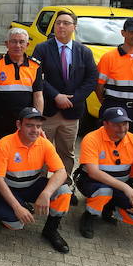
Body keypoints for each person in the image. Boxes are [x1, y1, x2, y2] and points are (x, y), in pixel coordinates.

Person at [0, 107, 71, 253]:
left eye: (38, 126)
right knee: (14, 222)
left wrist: (46, 194)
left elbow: (61, 172)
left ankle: (50, 231)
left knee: (64, 192)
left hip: (31, 186)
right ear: (19, 125)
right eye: (29, 125)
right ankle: (2, 204)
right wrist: (17, 207)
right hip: (9, 189)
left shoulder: (44, 144)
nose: (35, 130)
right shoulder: (4, 144)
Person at [31, 10, 98, 180]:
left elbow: (91, 79)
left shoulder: (84, 52)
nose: (61, 26)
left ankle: (64, 185)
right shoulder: (42, 49)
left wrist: (73, 99)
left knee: (66, 152)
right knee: (41, 149)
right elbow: (36, 76)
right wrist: (56, 96)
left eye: (66, 23)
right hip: (48, 111)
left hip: (71, 113)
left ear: (74, 27)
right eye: (58, 22)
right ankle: (40, 185)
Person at [76, 107, 133, 238]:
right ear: (105, 123)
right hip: (93, 182)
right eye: (117, 125)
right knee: (104, 191)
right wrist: (125, 188)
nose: (122, 129)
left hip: (120, 186)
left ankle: (109, 208)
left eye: (125, 124)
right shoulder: (92, 138)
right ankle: (89, 216)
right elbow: (94, 173)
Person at [95, 17, 133, 138]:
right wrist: (107, 102)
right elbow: (98, 86)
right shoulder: (109, 57)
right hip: (114, 107)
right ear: (123, 33)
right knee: (108, 141)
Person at [0, 29, 44, 150]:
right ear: (6, 44)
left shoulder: (35, 66)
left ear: (27, 45)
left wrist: (37, 125)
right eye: (14, 42)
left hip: (25, 125)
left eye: (21, 42)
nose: (18, 45)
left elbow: (38, 96)